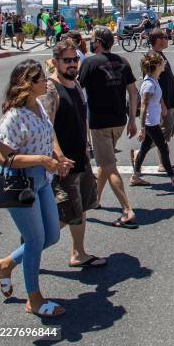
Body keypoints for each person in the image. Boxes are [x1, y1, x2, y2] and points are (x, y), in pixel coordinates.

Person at [0, 59, 73, 318]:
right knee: (35, 240)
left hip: (42, 181)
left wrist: (58, 158)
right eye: (40, 79)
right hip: (20, 185)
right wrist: (41, 160)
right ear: (27, 84)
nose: (46, 82)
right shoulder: (13, 117)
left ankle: (5, 265)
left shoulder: (38, 105)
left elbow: (48, 136)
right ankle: (34, 298)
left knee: (51, 236)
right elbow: (4, 157)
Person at [39, 40, 106, 269]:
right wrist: (58, 157)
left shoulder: (75, 84)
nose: (72, 64)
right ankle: (23, 251)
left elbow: (81, 118)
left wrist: (87, 147)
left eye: (75, 59)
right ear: (56, 61)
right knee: (64, 214)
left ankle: (79, 253)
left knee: (82, 207)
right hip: (63, 164)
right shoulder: (50, 89)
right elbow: (46, 127)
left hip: (80, 157)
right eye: (67, 60)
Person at [79, 26, 139, 229]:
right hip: (119, 120)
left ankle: (126, 209)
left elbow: (77, 90)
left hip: (99, 122)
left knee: (109, 165)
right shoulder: (123, 61)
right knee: (106, 162)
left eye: (92, 39)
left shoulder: (89, 62)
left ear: (97, 42)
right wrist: (132, 119)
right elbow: (132, 92)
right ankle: (95, 198)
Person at [130, 51, 174, 188]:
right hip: (151, 124)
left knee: (144, 149)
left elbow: (154, 100)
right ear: (157, 65)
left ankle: (135, 177)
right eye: (163, 62)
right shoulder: (149, 84)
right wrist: (143, 129)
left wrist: (162, 107)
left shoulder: (154, 81)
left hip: (153, 122)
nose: (165, 63)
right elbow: (144, 106)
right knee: (164, 148)